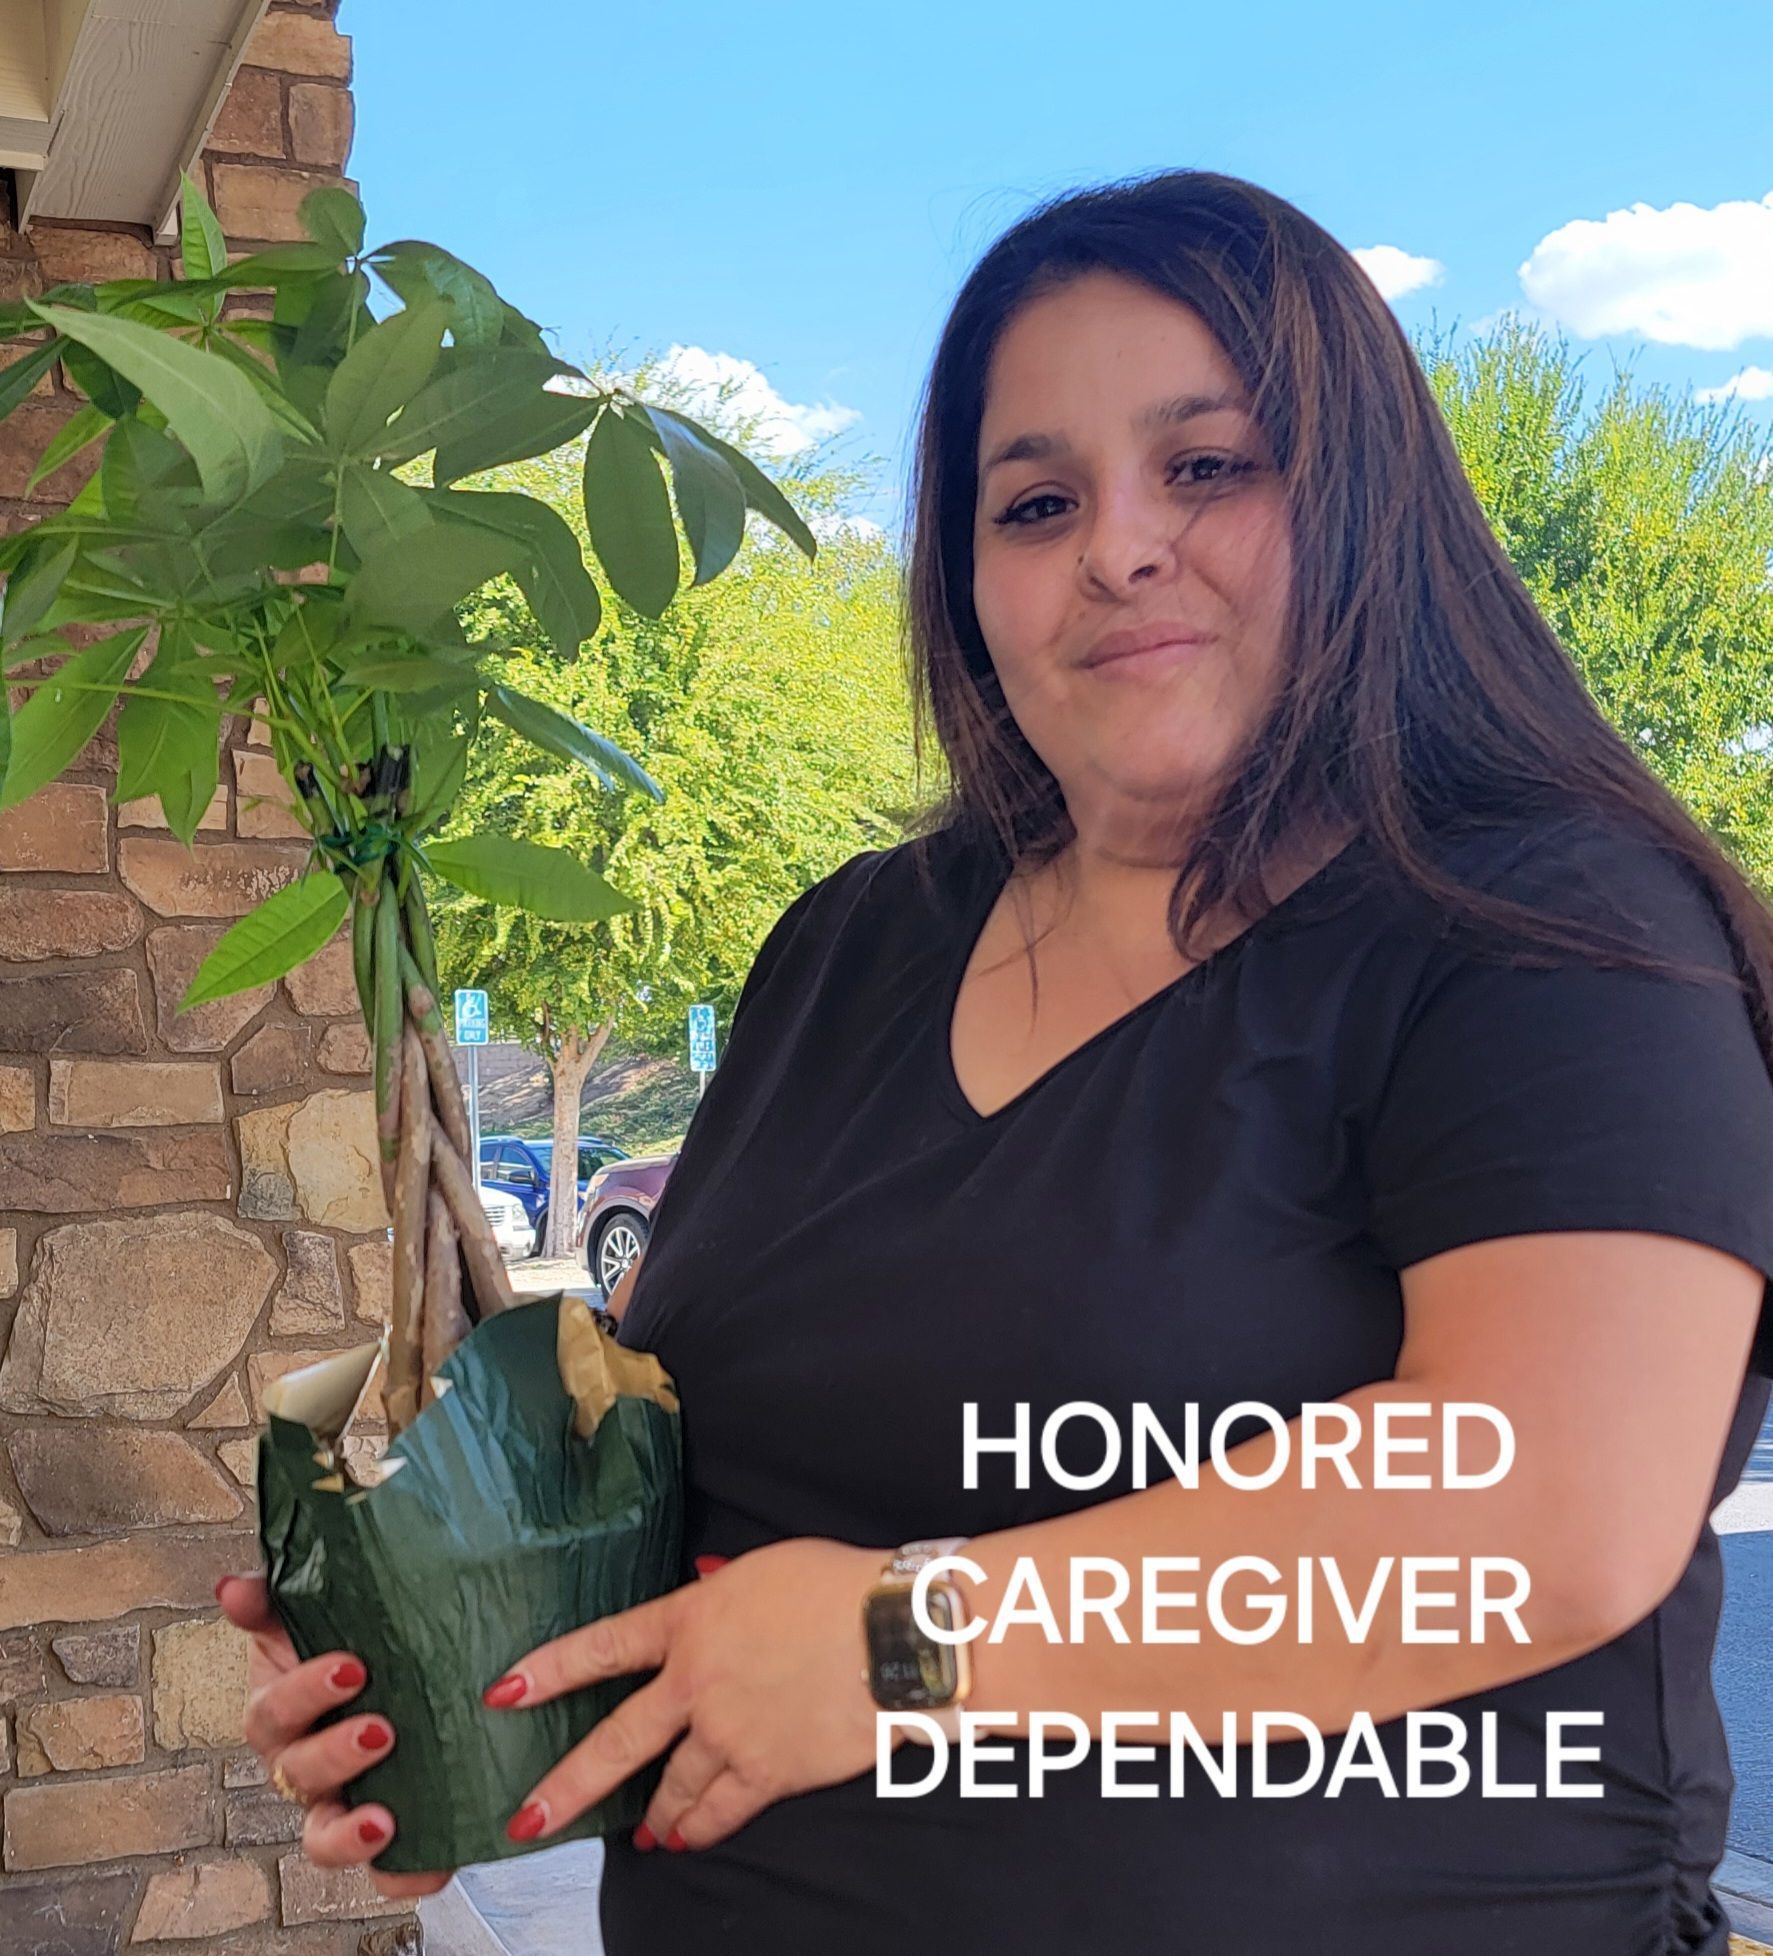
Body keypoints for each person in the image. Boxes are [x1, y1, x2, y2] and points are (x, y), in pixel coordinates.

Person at [219, 168, 1773, 1952]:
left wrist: (899, 1642)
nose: (1117, 546)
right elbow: (713, 1496)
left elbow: (1544, 1508)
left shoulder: (1545, 925)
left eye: (1206, 466)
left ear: (1368, 507)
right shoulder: (856, 942)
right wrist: (474, 1672)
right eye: (1035, 500)